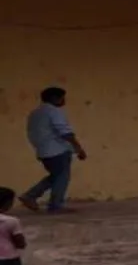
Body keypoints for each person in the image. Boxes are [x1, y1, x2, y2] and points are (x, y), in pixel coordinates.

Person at [19, 86, 87, 214]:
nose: (64, 100)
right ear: (54, 98)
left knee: (56, 176)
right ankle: (54, 205)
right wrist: (78, 148)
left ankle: (31, 196)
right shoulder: (54, 111)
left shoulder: (35, 113)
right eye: (62, 98)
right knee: (61, 177)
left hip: (43, 150)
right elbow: (65, 132)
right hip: (57, 149)